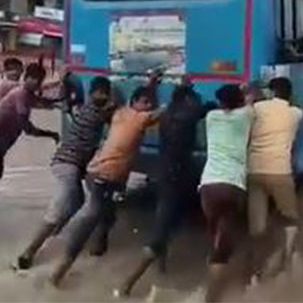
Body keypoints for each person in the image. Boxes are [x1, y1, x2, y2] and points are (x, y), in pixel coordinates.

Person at [49, 77, 161, 287]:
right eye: (145, 103)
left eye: (150, 103)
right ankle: (62, 266)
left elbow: (135, 102)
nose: (149, 106)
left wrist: (151, 84)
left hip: (103, 174)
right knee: (93, 213)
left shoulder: (120, 113)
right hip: (105, 175)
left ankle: (94, 244)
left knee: (109, 211)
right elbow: (160, 112)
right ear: (135, 102)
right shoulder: (141, 119)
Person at [116, 78, 211, 297]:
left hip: (164, 172)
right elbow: (204, 108)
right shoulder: (186, 116)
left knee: (166, 219)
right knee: (162, 229)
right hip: (177, 176)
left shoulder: (167, 115)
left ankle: (162, 267)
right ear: (187, 100)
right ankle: (127, 284)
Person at [15, 77, 114, 270]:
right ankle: (29, 251)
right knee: (59, 207)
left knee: (76, 201)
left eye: (105, 92)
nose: (103, 96)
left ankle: (54, 235)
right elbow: (117, 116)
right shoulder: (94, 113)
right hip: (68, 164)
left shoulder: (84, 109)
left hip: (69, 165)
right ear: (92, 93)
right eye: (100, 92)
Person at [199, 84, 253, 302]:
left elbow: (235, 101)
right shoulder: (246, 116)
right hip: (232, 185)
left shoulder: (211, 117)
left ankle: (210, 282)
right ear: (240, 101)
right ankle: (212, 297)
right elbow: (251, 98)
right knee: (222, 248)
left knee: (215, 236)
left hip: (208, 186)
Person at [247, 77, 303, 280]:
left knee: (257, 226)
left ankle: (255, 273)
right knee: (290, 217)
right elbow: (295, 107)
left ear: (270, 91)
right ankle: (287, 262)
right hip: (280, 171)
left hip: (254, 170)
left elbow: (249, 106)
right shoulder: (296, 113)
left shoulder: (257, 109)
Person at [0, 63, 60, 180]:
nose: (36, 83)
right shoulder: (20, 94)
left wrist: (58, 102)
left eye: (39, 81)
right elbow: (28, 129)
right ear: (26, 77)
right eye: (34, 79)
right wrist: (49, 134)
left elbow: (43, 101)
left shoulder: (28, 95)